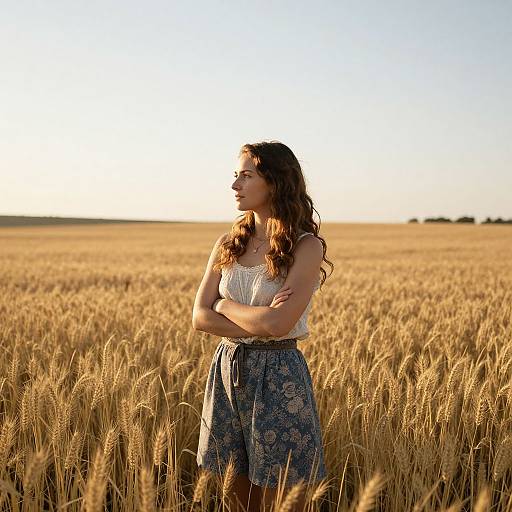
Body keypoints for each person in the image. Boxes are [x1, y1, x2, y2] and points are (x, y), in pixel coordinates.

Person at [192, 141, 334, 512]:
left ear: (273, 181)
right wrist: (255, 320)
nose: (235, 184)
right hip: (227, 371)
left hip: (278, 377)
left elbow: (279, 323)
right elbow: (199, 317)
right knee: (234, 495)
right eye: (235, 175)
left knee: (281, 497)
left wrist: (224, 305)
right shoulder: (227, 244)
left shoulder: (305, 246)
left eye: (246, 175)